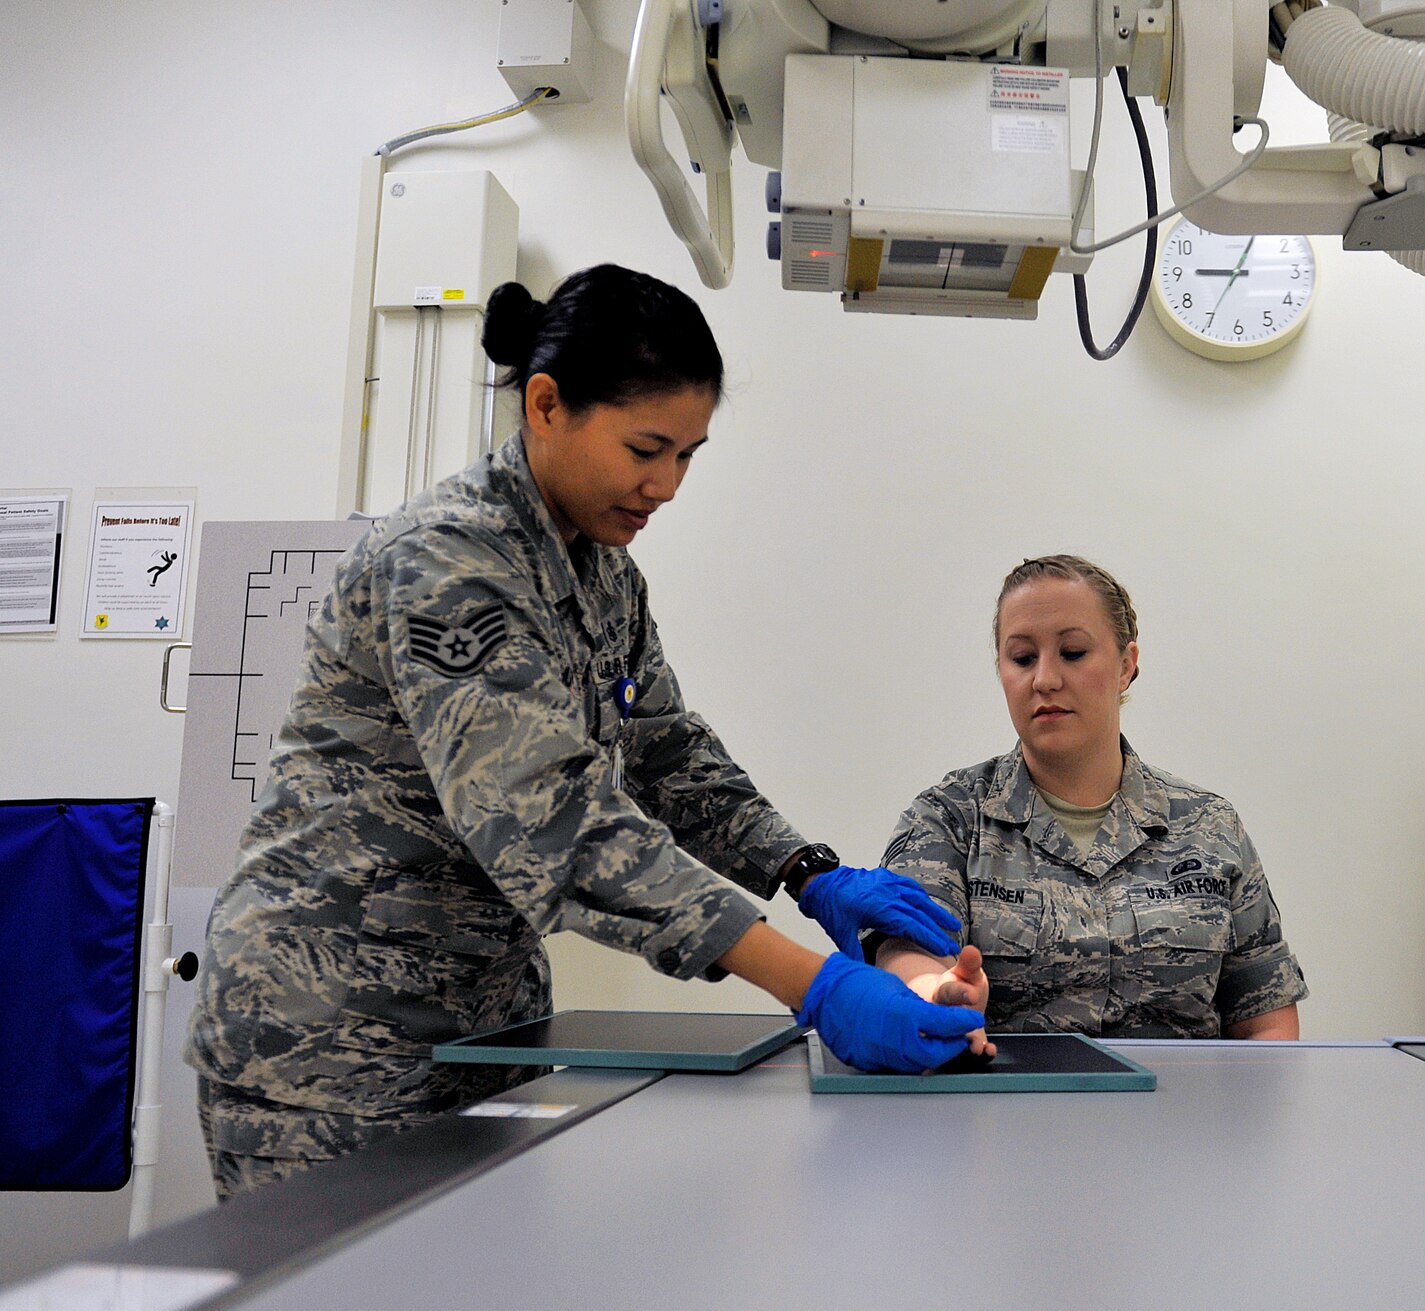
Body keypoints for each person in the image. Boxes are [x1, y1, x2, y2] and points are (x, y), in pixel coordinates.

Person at [185, 265, 981, 1199]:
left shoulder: (601, 569)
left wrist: (813, 876)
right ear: (547, 404)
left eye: (689, 455)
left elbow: (667, 755)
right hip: (326, 1041)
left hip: (483, 1031)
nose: (668, 485)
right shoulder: (447, 561)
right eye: (647, 447)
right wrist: (811, 985)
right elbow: (557, 825)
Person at [876, 555, 1307, 1041]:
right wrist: (932, 990)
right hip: (1009, 1110)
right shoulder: (950, 819)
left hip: (1183, 1111)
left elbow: (1266, 1019)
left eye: (1074, 652)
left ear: (1126, 666)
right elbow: (909, 950)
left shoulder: (1209, 827)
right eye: (1022, 659)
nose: (1045, 679)